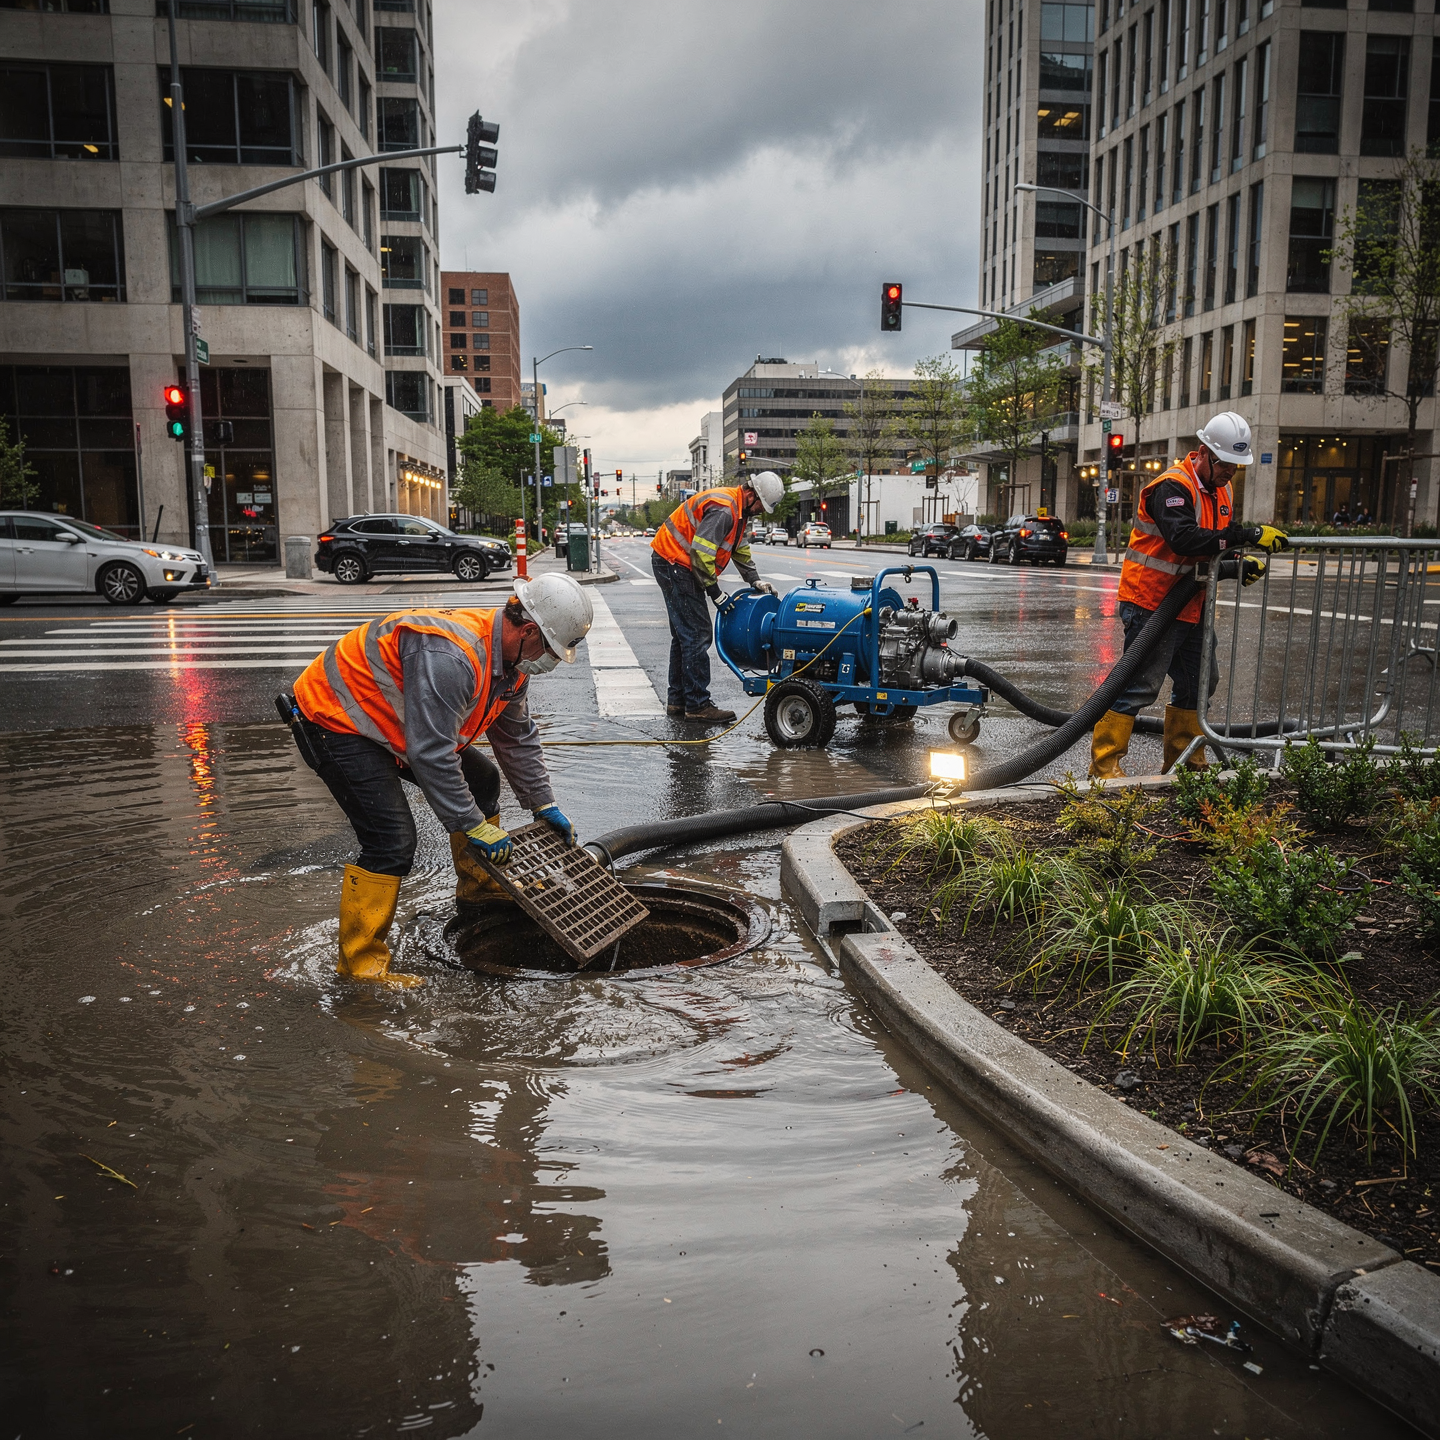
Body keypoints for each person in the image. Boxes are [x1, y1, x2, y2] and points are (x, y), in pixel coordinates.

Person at [279, 572, 593, 986]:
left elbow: (516, 737)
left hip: (393, 721)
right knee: (391, 841)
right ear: (529, 630)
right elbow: (430, 753)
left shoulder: (513, 664)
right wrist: (471, 824)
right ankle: (361, 967)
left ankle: (479, 889)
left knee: (482, 783)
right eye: (550, 649)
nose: (550, 661)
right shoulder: (455, 656)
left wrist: (543, 803)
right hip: (336, 719)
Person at [1090, 412, 1290, 778]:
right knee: (1138, 686)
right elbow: (1183, 539)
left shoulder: (1222, 488)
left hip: (1191, 604)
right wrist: (1246, 536)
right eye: (1225, 464)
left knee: (1199, 682)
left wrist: (1236, 562)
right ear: (1202, 453)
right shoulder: (1172, 487)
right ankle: (1104, 767)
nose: (1230, 472)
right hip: (1150, 603)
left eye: (1236, 466)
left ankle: (1185, 763)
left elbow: (1214, 541)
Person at [650, 470, 786, 722]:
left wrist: (753, 579)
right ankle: (698, 705)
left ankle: (679, 701)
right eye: (760, 506)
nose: (759, 511)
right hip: (675, 562)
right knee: (697, 633)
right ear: (751, 494)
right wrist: (716, 593)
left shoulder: (739, 511)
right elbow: (701, 554)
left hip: (674, 562)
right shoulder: (725, 510)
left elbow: (739, 549)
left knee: (684, 635)